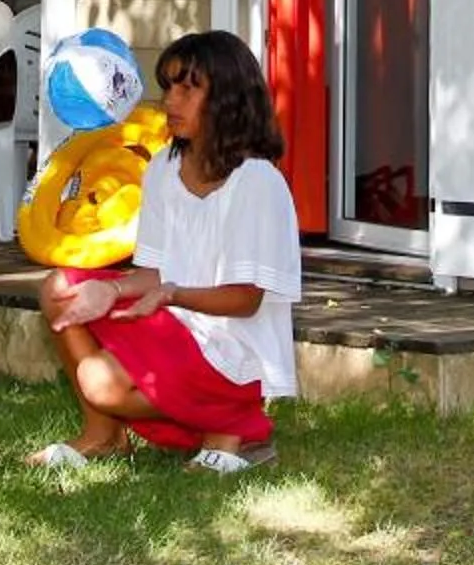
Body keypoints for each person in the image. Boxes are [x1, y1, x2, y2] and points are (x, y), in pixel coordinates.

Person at [30, 29, 300, 474]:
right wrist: (111, 291)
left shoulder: (257, 182)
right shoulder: (164, 167)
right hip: (176, 324)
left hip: (231, 352)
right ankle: (104, 436)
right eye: (168, 87)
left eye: (187, 88)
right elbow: (152, 272)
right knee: (60, 287)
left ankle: (234, 424)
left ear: (227, 99)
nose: (170, 101)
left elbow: (245, 299)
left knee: (100, 381)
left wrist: (172, 294)